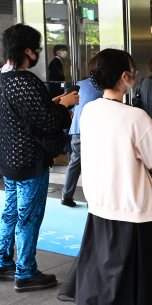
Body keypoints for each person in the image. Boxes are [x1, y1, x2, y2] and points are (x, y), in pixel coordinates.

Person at [58, 49, 152, 305]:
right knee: (146, 267)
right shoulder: (136, 116)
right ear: (125, 76)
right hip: (136, 204)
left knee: (101, 261)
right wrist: (149, 132)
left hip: (100, 202)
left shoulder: (89, 110)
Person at [0, 24, 79, 292]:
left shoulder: (1, 77)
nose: (38, 53)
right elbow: (48, 122)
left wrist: (50, 102)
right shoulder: (25, 80)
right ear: (27, 50)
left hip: (9, 159)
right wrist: (65, 105)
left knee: (10, 213)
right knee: (29, 216)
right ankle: (26, 272)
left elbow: (26, 113)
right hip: (28, 161)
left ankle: (1, 261)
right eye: (37, 49)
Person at [61, 57, 103, 208]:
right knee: (96, 163)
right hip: (93, 130)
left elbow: (72, 107)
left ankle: (66, 195)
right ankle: (95, 198)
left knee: (75, 162)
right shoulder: (103, 88)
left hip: (77, 128)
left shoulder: (79, 85)